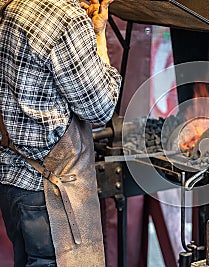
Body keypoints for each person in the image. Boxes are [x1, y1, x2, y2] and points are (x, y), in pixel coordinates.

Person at [0, 0, 121, 265]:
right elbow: (101, 109)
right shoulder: (64, 17)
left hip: (14, 185)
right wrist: (99, 38)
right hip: (51, 198)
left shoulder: (8, 5)